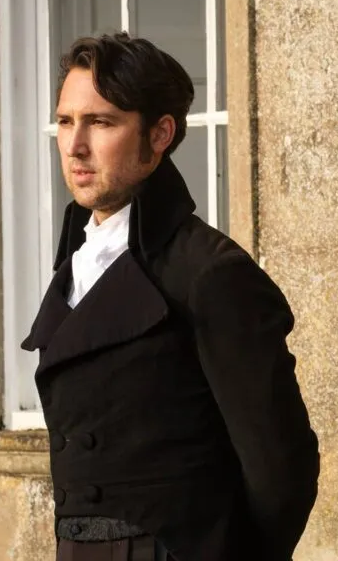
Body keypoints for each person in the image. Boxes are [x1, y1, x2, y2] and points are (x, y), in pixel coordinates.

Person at [22, 33, 320, 561]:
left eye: (101, 122)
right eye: (66, 121)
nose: (74, 145)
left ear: (159, 134)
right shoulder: (76, 264)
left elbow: (281, 467)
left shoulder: (210, 272)